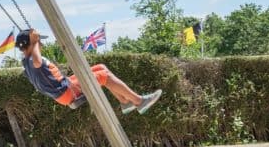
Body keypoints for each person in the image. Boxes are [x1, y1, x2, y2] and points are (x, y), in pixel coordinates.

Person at [16, 29, 162, 114]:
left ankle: (124, 101)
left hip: (65, 87)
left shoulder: (27, 62)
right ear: (31, 44)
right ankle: (139, 101)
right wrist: (34, 41)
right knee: (104, 76)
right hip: (67, 91)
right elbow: (37, 61)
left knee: (101, 68)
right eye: (38, 41)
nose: (41, 43)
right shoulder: (32, 60)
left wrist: (32, 42)